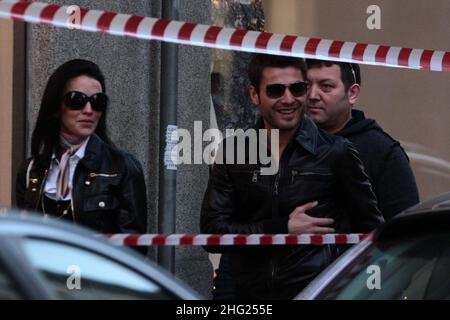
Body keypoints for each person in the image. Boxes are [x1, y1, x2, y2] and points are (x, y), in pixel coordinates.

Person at [201, 54, 384, 300]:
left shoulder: (336, 152)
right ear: (255, 95)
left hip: (316, 293)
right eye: (276, 90)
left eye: (297, 89)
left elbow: (371, 233)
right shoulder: (234, 153)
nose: (288, 99)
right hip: (248, 296)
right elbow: (212, 234)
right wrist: (282, 228)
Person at [16, 59, 148, 240]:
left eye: (97, 102)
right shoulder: (32, 170)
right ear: (56, 107)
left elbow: (133, 248)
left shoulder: (122, 167)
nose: (88, 110)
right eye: (76, 100)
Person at [305, 59, 419, 219]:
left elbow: (405, 230)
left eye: (326, 87)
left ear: (352, 93)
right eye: (306, 86)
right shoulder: (284, 140)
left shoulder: (382, 151)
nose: (312, 95)